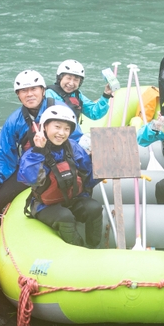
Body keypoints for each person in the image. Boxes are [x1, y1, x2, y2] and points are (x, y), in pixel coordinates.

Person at [0, 70, 78, 236]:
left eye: (34, 89)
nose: (29, 94)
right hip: (31, 167)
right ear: (18, 95)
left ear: (43, 90)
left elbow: (76, 140)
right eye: (24, 91)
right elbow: (3, 154)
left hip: (61, 164)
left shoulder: (60, 109)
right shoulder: (14, 120)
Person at [18, 106, 102, 248]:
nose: (61, 133)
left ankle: (94, 247)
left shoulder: (73, 148)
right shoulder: (33, 153)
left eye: (66, 129)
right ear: (45, 127)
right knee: (65, 217)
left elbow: (87, 176)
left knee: (94, 208)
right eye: (57, 127)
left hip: (71, 199)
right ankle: (79, 251)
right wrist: (39, 151)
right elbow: (30, 179)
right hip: (44, 205)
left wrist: (102, 167)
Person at [44, 59, 112, 122]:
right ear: (60, 78)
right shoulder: (49, 94)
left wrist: (106, 95)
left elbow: (94, 113)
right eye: (68, 78)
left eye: (76, 80)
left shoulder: (77, 95)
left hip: (73, 132)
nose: (71, 83)